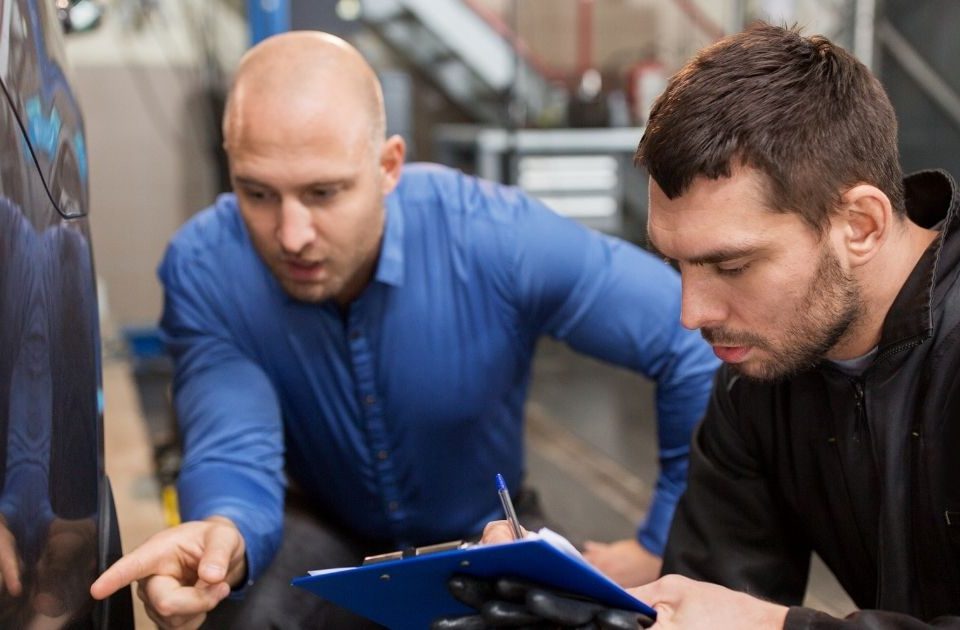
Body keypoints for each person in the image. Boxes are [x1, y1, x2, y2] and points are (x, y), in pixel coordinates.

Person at [88, 31, 718, 628]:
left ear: (389, 165)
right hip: (322, 530)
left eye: (324, 192)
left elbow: (685, 336)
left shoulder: (496, 240)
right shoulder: (207, 266)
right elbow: (232, 441)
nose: (291, 235)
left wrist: (658, 542)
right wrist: (222, 532)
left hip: (487, 526)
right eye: (257, 194)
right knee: (244, 607)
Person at [483, 21, 960, 629]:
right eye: (676, 264)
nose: (692, 314)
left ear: (860, 225)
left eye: (731, 265)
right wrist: (601, 608)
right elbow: (710, 600)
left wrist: (775, 628)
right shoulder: (760, 375)